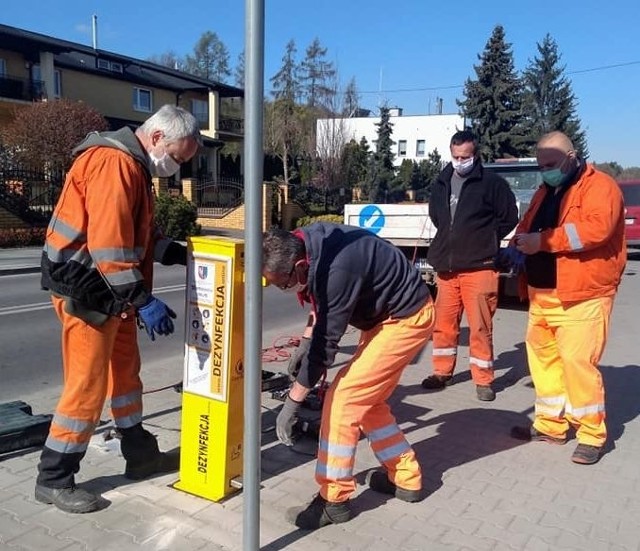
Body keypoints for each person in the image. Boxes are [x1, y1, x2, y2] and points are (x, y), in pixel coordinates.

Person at [35, 104, 201, 513]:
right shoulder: (114, 163)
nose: (176, 169)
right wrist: (143, 300)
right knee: (87, 386)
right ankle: (53, 477)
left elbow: (139, 233)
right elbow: (109, 248)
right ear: (158, 137)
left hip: (111, 291)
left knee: (125, 375)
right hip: (87, 289)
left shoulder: (134, 165)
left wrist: (177, 253)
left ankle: (140, 455)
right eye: (178, 157)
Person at [263, 223, 435, 530]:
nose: (281, 289)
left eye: (281, 283)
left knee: (342, 399)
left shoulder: (336, 268)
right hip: (386, 317)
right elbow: (319, 302)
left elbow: (325, 347)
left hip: (407, 318)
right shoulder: (304, 243)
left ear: (300, 266)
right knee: (368, 402)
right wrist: (305, 340)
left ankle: (335, 500)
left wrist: (291, 404)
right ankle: (406, 477)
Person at [509, 131, 626, 465]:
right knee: (543, 363)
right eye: (541, 165)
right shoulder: (546, 191)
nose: (545, 170)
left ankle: (591, 435)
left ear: (572, 157)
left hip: (583, 296)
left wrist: (542, 242)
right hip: (542, 294)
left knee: (578, 365)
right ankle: (550, 424)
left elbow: (595, 230)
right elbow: (527, 225)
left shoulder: (600, 187)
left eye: (551, 164)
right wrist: (516, 244)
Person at [421, 130, 518, 401]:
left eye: (465, 157)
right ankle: (442, 372)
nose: (459, 161)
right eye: (455, 156)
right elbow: (438, 216)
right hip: (447, 267)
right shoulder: (441, 181)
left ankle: (483, 379)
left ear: (475, 155)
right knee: (444, 324)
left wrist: (485, 238)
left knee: (479, 327)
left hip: (480, 266)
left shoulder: (492, 183)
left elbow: (509, 216)